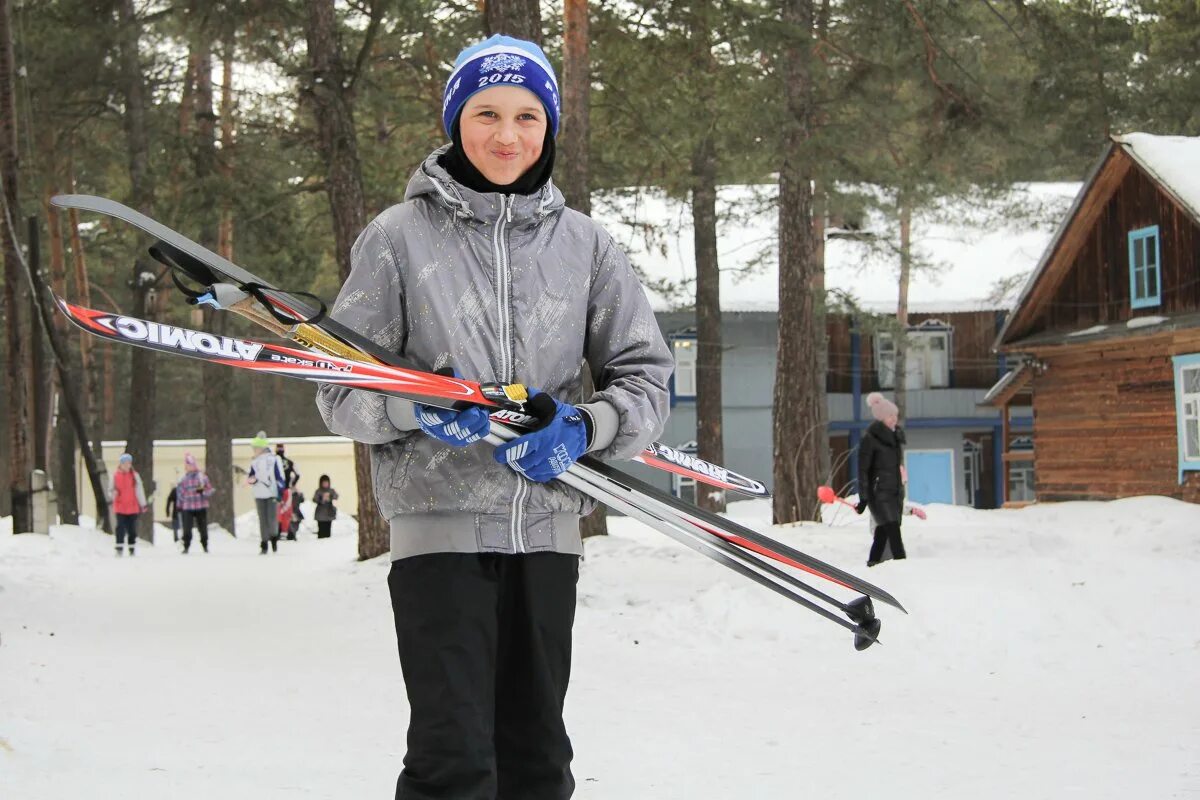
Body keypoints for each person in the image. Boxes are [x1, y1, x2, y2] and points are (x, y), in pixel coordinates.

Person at [316, 34, 673, 800]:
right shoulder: (396, 240)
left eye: (526, 117)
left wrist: (585, 427)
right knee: (455, 763)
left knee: (538, 762)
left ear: (548, 128)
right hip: (438, 533)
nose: (506, 135)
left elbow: (645, 379)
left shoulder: (587, 247)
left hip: (547, 533)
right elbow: (339, 392)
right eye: (485, 113)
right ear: (455, 121)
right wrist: (414, 404)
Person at [856, 392, 913, 566]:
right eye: (890, 416)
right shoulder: (871, 439)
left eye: (895, 415)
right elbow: (863, 470)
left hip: (893, 491)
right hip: (879, 492)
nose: (894, 419)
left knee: (882, 530)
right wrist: (864, 497)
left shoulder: (894, 439)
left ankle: (872, 563)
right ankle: (902, 563)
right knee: (893, 528)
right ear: (881, 418)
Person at [247, 432, 285, 554]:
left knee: (271, 518)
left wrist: (279, 492)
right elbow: (251, 476)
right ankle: (264, 543)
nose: (254, 450)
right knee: (262, 519)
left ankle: (273, 538)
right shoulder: (254, 462)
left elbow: (280, 477)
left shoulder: (274, 459)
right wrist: (252, 480)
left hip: (271, 493)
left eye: (255, 448)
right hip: (259, 493)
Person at [108, 453, 147, 557]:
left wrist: (143, 504)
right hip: (120, 507)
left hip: (132, 507)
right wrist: (113, 494)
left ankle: (131, 548)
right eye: (124, 463)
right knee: (120, 528)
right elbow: (110, 490)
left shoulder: (135, 476)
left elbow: (139, 491)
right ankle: (119, 548)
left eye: (128, 463)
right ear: (120, 464)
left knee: (132, 529)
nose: (126, 465)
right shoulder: (115, 475)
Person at [176, 452, 215, 554]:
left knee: (202, 527)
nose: (189, 467)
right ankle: (186, 545)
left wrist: (203, 492)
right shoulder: (183, 479)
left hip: (200, 506)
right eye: (187, 465)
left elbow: (210, 490)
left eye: (190, 465)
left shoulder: (201, 477)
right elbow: (180, 493)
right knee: (187, 528)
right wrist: (179, 505)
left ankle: (205, 544)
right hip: (187, 507)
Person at [312, 475, 337, 540]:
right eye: (324, 483)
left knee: (328, 529)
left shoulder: (331, 490)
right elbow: (314, 499)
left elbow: (336, 496)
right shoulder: (318, 491)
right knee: (321, 530)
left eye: (326, 483)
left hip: (329, 512)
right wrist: (321, 500)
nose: (325, 484)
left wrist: (330, 497)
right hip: (320, 513)